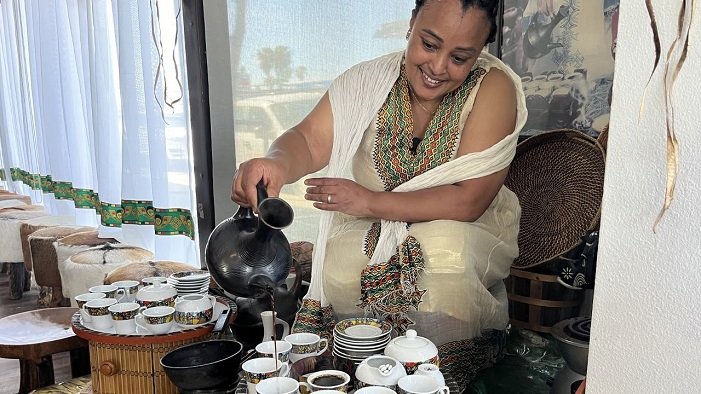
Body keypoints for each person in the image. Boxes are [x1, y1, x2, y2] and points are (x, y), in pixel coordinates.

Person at [231, 0, 526, 388]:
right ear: (411, 25)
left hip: (466, 227)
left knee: (443, 256)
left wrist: (369, 202)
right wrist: (276, 163)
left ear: (481, 51)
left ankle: (432, 377)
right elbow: (307, 138)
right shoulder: (368, 81)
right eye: (429, 44)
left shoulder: (493, 87)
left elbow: (469, 200)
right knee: (339, 259)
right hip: (371, 225)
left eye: (459, 57)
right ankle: (356, 374)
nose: (438, 67)